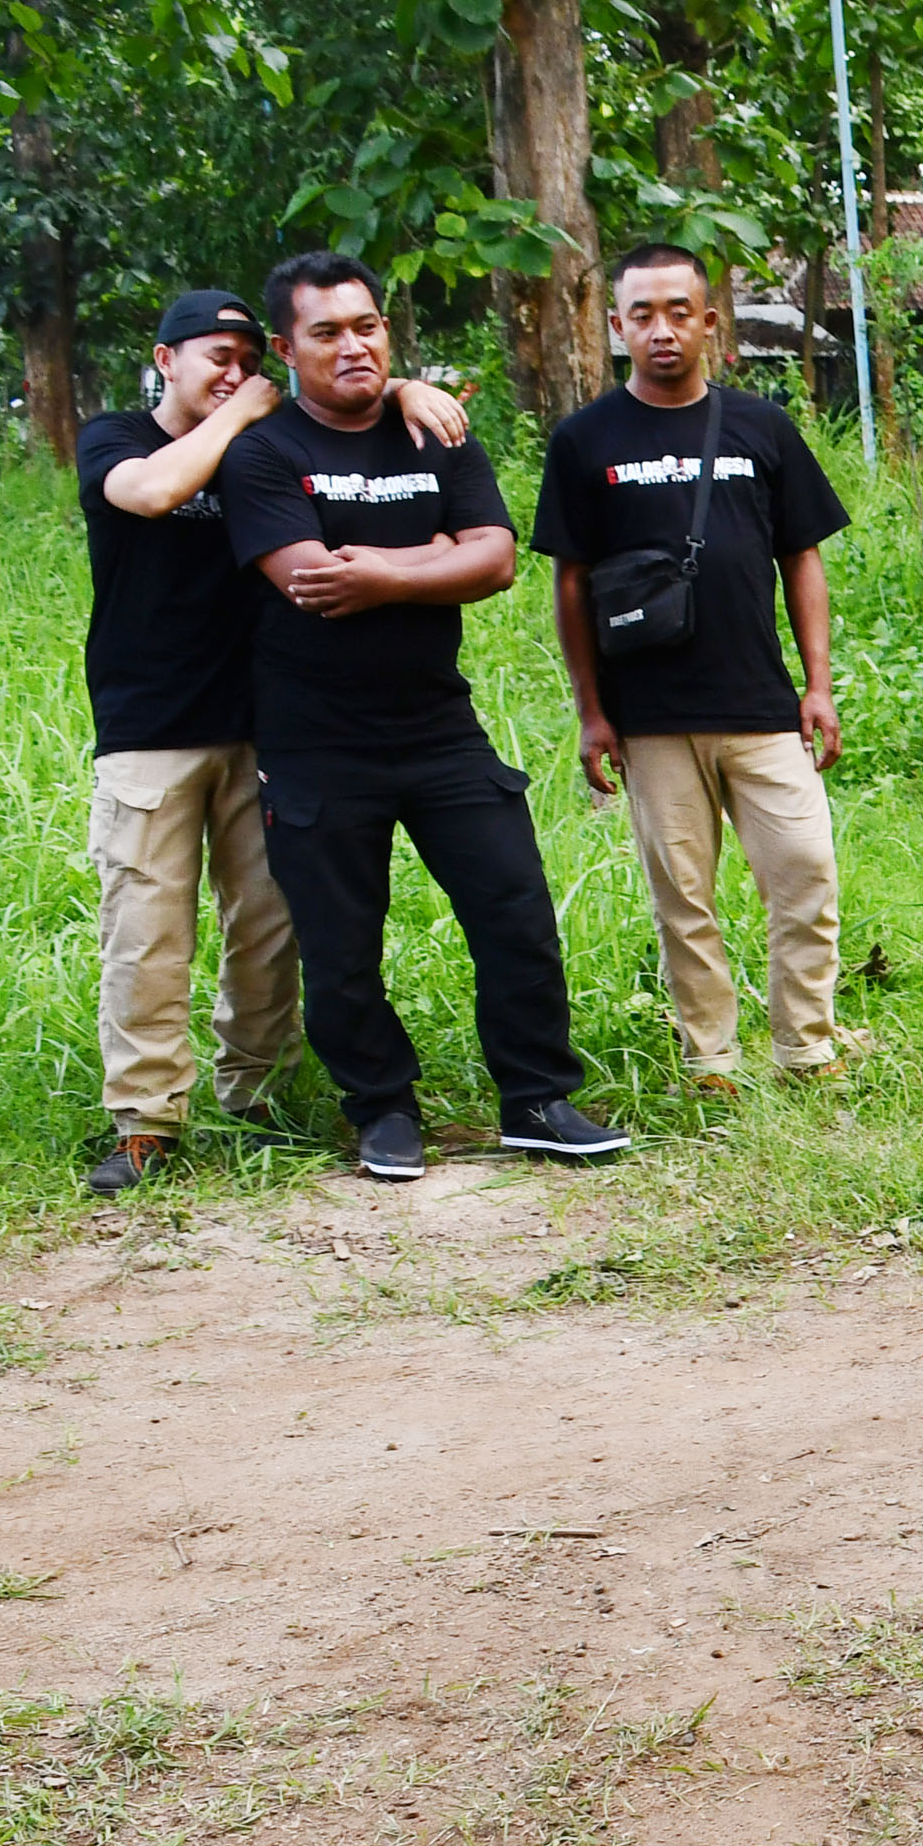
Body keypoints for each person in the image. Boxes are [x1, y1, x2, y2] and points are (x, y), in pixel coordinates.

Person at [218, 250, 627, 1181]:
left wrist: (381, 569)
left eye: (367, 327)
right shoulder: (264, 452)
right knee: (342, 944)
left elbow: (495, 561)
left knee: (514, 908)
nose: (353, 347)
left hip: (441, 728)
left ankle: (536, 1098)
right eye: (326, 333)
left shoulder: (435, 434)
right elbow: (308, 582)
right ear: (287, 348)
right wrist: (428, 555)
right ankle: (382, 1110)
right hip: (315, 742)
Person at [74, 291, 472, 1194]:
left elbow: (346, 413)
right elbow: (152, 494)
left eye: (249, 356)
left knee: (270, 926)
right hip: (151, 731)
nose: (234, 371)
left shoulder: (268, 450)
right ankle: (147, 1122)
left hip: (270, 727)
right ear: (164, 358)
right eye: (214, 355)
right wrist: (250, 406)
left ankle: (256, 1098)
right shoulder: (119, 439)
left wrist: (402, 387)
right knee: (146, 929)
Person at [536, 241, 853, 1093]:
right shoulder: (583, 440)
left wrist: (817, 686)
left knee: (806, 879)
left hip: (762, 710)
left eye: (680, 312)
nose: (663, 330)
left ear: (710, 323)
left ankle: (807, 1049)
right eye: (642, 314)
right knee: (684, 899)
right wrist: (590, 711)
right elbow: (569, 584)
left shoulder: (761, 426)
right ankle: (710, 1060)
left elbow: (803, 559)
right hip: (650, 719)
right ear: (616, 327)